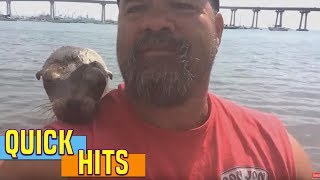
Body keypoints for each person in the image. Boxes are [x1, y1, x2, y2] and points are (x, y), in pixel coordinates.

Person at [0, 0, 314, 179]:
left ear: (217, 29)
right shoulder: (60, 145)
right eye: (137, 7)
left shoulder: (275, 148)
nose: (157, 22)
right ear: (119, 27)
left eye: (181, 4)